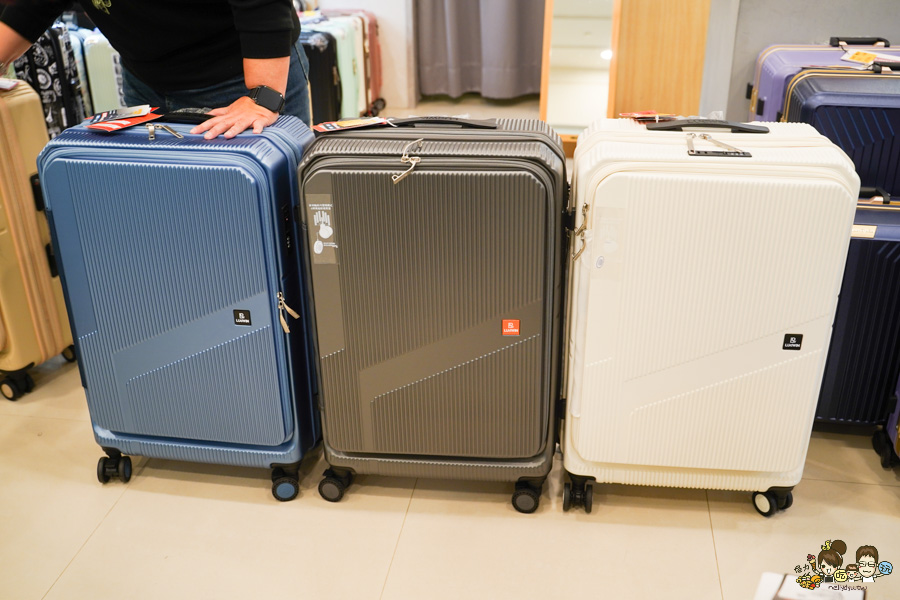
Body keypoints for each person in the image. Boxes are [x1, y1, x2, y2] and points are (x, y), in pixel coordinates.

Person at [0, 0, 310, 138]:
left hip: (242, 79)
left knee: (267, 215)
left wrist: (262, 99)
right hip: (146, 81)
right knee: (172, 209)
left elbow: (262, 5)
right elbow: (31, 9)